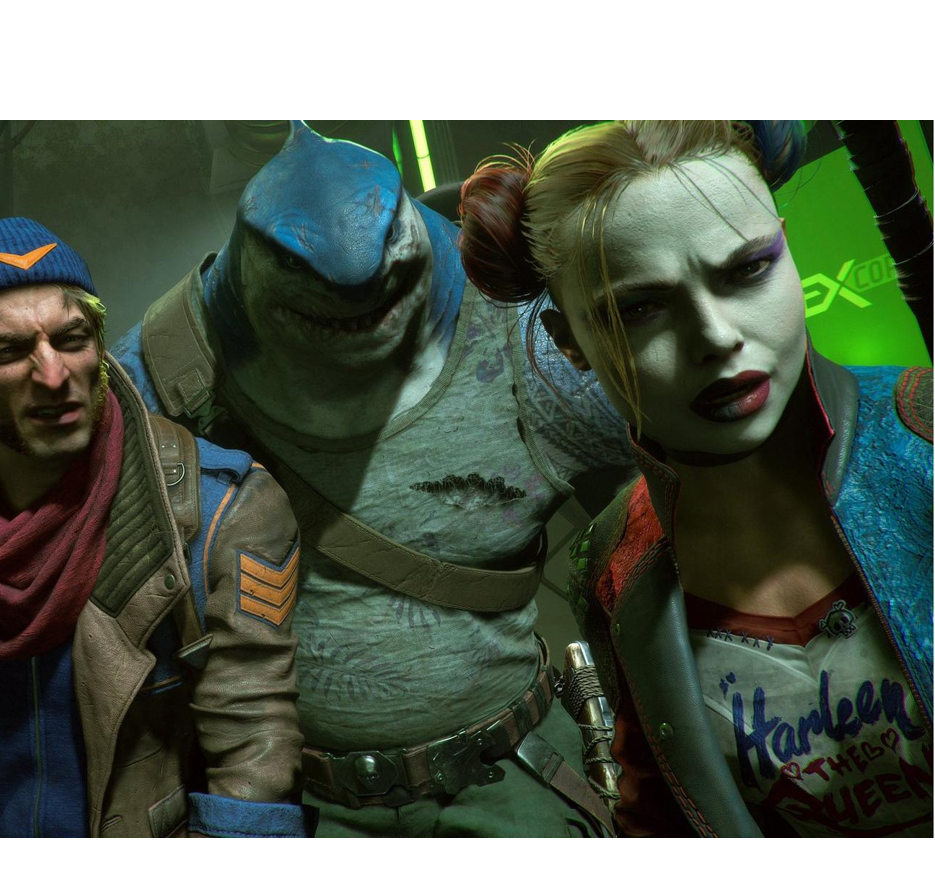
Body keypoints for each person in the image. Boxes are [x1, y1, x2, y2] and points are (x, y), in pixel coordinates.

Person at [115, 122, 630, 837]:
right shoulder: (166, 373)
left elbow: (689, 506)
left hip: (511, 769)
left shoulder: (528, 338)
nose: (359, 294)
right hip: (302, 797)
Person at [460, 119, 932, 837]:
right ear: (570, 343)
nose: (715, 335)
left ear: (788, 251)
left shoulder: (925, 439)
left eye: (748, 269)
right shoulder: (615, 568)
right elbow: (662, 810)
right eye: (641, 308)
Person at [0, 217, 309, 837]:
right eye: (9, 351)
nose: (53, 377)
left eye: (72, 339)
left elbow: (255, 741)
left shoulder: (218, 508)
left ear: (99, 340)